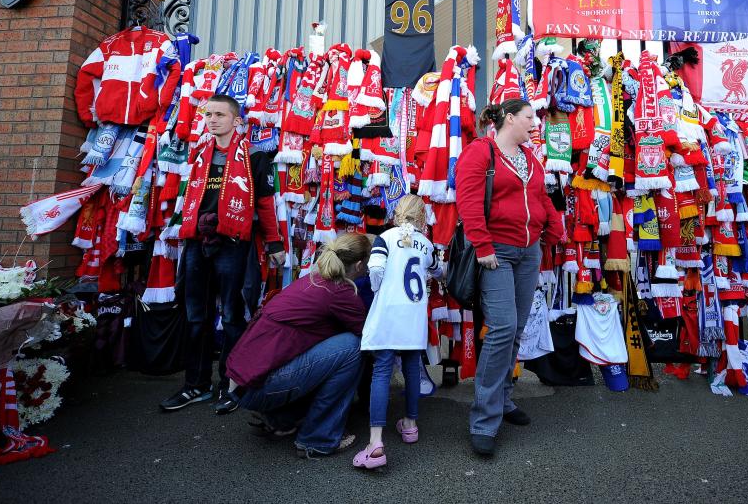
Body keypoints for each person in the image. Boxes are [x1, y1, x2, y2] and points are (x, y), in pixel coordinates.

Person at [159, 94, 286, 414]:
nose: (212, 120)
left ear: (236, 120)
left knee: (232, 318)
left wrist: (275, 243)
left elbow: (266, 204)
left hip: (233, 245)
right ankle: (195, 385)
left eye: (219, 115)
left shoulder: (256, 156)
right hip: (197, 245)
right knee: (196, 317)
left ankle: (231, 384)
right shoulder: (200, 153)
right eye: (208, 114)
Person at [455, 99, 564, 457]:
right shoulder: (479, 151)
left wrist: (554, 226)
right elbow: (468, 201)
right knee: (502, 327)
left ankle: (502, 401)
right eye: (530, 117)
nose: (535, 123)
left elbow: (540, 198)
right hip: (496, 252)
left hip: (528, 251)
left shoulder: (530, 158)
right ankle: (483, 420)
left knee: (515, 329)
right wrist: (483, 245)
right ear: (510, 119)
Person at [226, 233, 372, 457]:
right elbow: (367, 336)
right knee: (352, 348)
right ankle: (318, 438)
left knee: (334, 350)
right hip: (257, 385)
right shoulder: (341, 292)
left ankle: (280, 419)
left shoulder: (314, 279)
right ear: (361, 264)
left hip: (242, 382)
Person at [352, 195, 441, 470]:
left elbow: (376, 268)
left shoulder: (385, 238)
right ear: (422, 218)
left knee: (382, 369)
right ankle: (411, 425)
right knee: (412, 367)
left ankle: (376, 442)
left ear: (396, 214)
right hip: (413, 315)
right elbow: (439, 272)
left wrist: (379, 288)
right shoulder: (427, 244)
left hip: (388, 313)